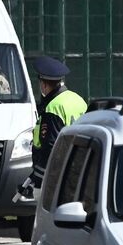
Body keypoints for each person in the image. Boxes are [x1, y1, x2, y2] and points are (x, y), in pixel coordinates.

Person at [29, 56, 85, 187]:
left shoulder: (53, 108)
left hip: (57, 177)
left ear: (43, 84)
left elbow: (50, 148)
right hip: (80, 168)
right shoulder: (78, 99)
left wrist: (38, 180)